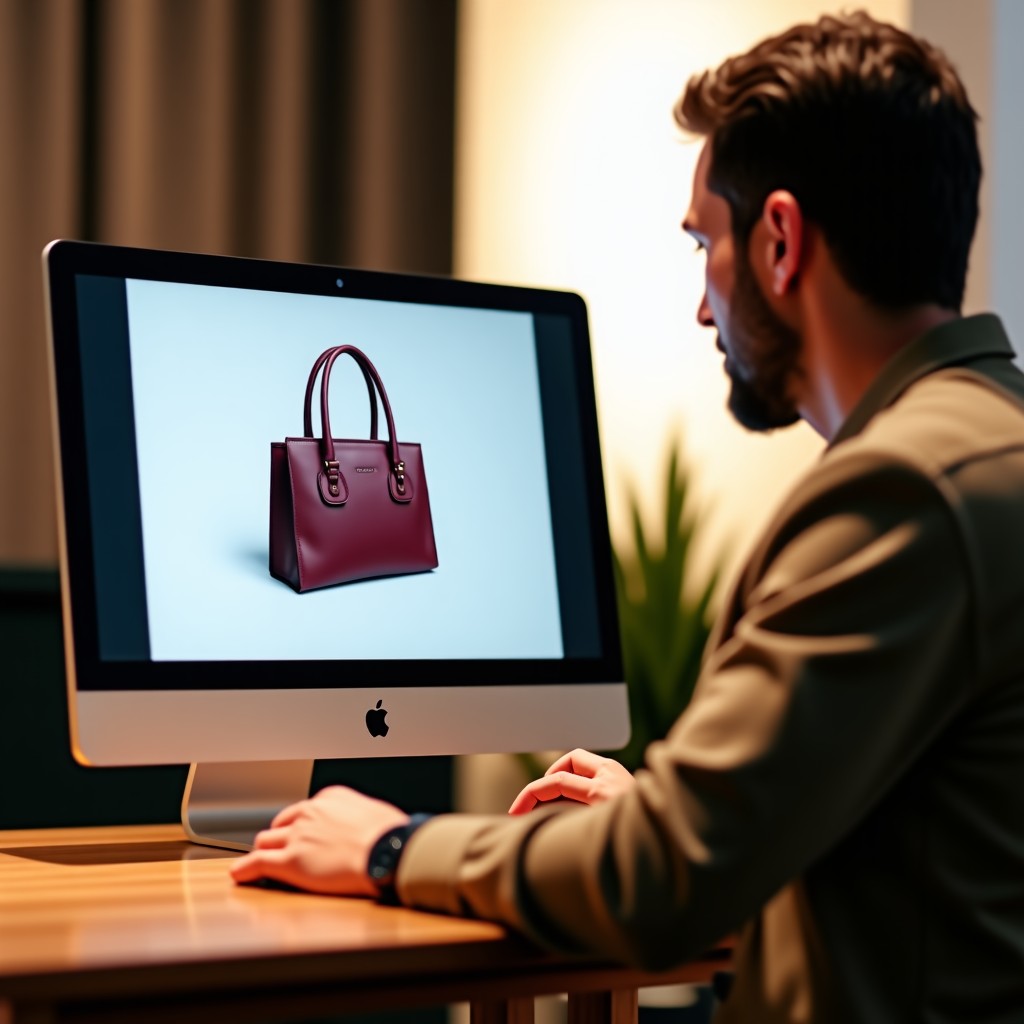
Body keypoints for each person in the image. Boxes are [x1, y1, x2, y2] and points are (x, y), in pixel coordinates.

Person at [231, 11, 1024, 1021]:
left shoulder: (905, 490)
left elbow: (660, 885)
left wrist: (388, 846)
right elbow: (933, 858)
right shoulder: (991, 441)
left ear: (780, 240)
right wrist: (672, 815)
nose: (703, 306)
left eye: (706, 244)